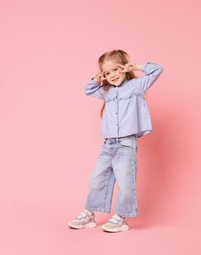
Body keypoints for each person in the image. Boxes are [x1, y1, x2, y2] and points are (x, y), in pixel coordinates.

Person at [68, 50, 163, 232]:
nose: (112, 75)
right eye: (107, 73)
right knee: (97, 179)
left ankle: (120, 218)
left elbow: (157, 69)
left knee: (126, 182)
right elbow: (88, 89)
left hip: (126, 144)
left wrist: (134, 66)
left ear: (124, 68)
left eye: (115, 70)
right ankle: (89, 214)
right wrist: (98, 77)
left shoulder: (136, 86)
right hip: (108, 144)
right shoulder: (107, 91)